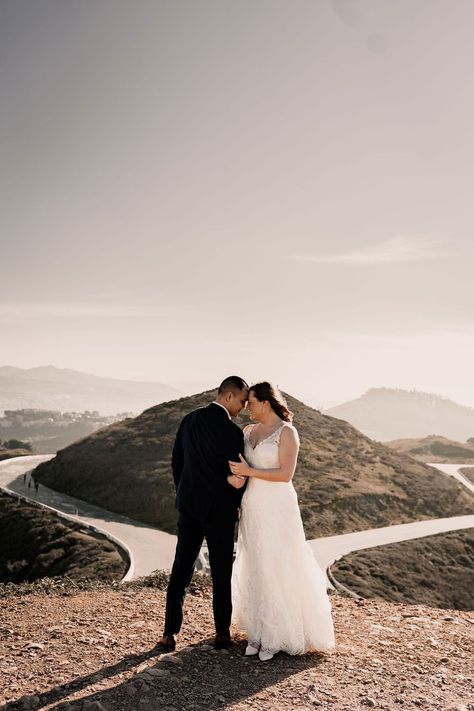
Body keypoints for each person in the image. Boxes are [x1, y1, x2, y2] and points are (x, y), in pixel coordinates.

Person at [228, 382, 336, 661]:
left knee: (278, 563)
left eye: (250, 402)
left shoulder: (287, 432)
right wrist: (238, 482)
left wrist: (248, 470)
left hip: (277, 506)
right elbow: (241, 469)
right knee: (256, 565)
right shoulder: (247, 432)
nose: (247, 407)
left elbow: (285, 474)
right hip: (252, 504)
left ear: (265, 402)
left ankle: (277, 636)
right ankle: (258, 632)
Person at [156, 376, 249, 652]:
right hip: (219, 511)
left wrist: (183, 492)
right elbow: (235, 476)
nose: (243, 407)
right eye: (243, 400)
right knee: (222, 572)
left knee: (181, 568)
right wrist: (234, 501)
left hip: (189, 506)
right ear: (229, 396)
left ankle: (169, 634)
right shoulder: (233, 433)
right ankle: (222, 634)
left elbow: (177, 461)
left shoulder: (189, 420)